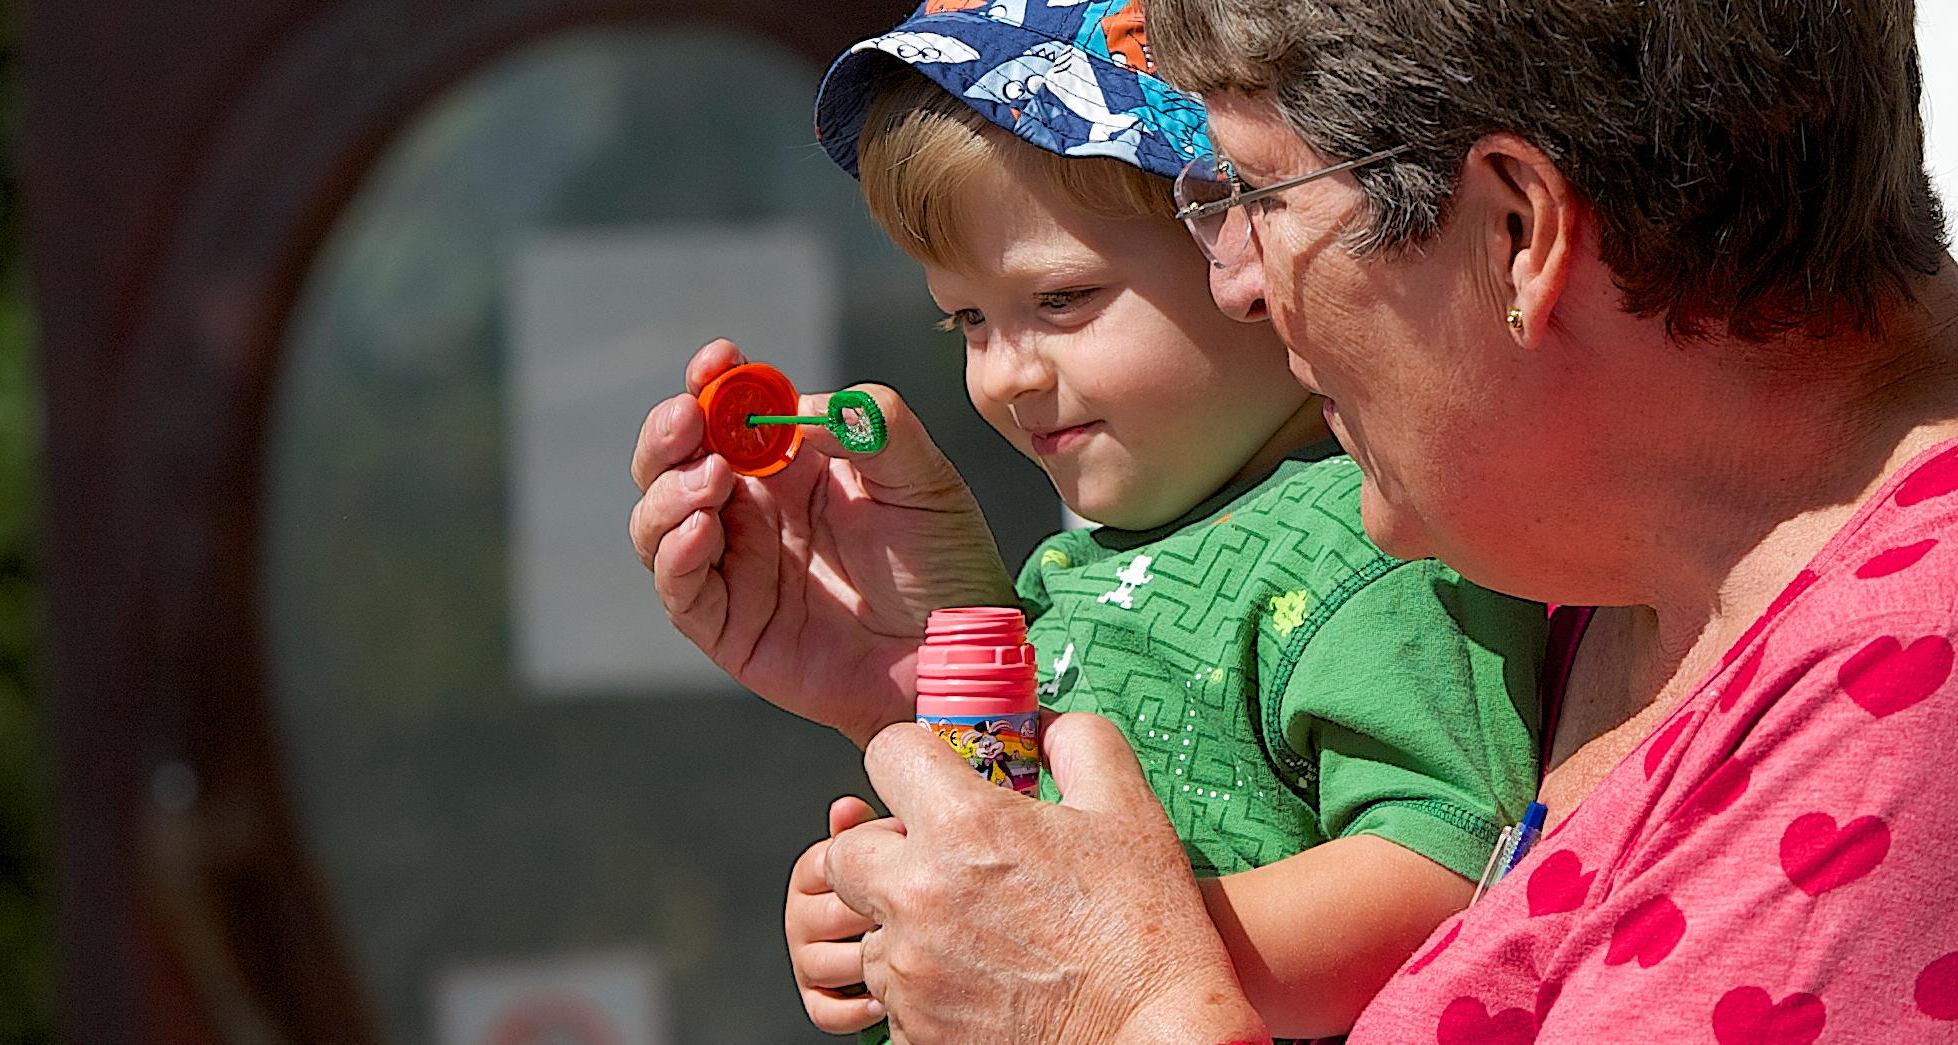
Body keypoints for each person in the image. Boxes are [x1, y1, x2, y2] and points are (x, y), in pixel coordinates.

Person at [790, 0, 1958, 1040]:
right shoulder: (1575, 528)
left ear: (1516, 229)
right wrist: (929, 676)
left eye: (1256, 192)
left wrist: (1110, 1006)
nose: (1232, 281)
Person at [625, 4, 1545, 1036]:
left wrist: (1081, 944)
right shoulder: (1068, 577)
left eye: (1061, 299)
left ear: (1244, 249)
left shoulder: (1365, 545)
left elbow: (1442, 873)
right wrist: (882, 922)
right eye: (968, 318)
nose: (1007, 374)